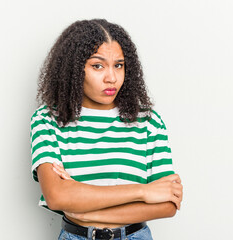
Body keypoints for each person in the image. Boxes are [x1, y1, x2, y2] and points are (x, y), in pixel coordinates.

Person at [30, 19, 183, 240]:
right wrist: (143, 191)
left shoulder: (148, 121)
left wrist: (82, 208)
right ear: (74, 69)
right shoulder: (48, 120)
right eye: (97, 66)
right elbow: (56, 196)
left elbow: (168, 203)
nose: (111, 77)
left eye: (118, 65)